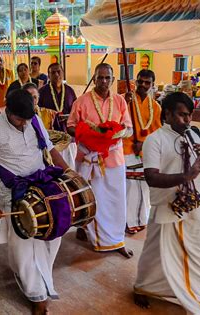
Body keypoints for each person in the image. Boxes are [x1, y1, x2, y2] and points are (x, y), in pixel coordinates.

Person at [0, 89, 69, 315]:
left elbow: (50, 148)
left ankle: (41, 277)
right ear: (7, 109)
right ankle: (37, 295)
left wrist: (69, 173)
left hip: (42, 187)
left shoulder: (33, 119)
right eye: (18, 119)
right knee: (23, 245)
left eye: (27, 119)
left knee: (52, 234)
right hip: (14, 192)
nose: (23, 124)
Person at [133, 92, 200, 314]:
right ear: (168, 114)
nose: (187, 120)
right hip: (167, 206)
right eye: (182, 115)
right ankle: (144, 287)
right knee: (155, 252)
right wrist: (187, 176)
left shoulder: (197, 134)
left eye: (190, 115)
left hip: (196, 205)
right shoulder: (155, 140)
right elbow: (151, 177)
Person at [67, 63, 134, 258]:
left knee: (115, 201)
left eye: (107, 78)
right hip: (88, 158)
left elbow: (128, 128)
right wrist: (88, 135)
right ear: (94, 78)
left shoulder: (120, 101)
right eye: (100, 77)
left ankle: (116, 240)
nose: (103, 81)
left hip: (114, 159)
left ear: (113, 80)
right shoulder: (81, 102)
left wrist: (116, 135)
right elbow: (70, 126)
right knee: (92, 199)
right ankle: (92, 233)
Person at [123, 70, 162, 234]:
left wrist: (144, 143)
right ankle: (126, 221)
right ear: (135, 82)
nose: (143, 86)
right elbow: (121, 126)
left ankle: (140, 220)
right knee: (129, 188)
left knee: (144, 189)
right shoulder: (126, 102)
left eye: (147, 83)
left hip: (145, 152)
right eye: (140, 82)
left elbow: (158, 133)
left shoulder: (155, 107)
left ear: (152, 85)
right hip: (126, 150)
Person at [38, 63, 77, 168]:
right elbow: (37, 113)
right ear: (48, 75)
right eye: (52, 72)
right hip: (50, 138)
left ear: (63, 73)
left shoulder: (70, 91)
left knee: (69, 167)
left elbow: (76, 111)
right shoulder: (42, 92)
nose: (56, 75)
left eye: (58, 71)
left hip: (68, 137)